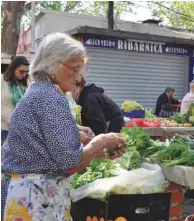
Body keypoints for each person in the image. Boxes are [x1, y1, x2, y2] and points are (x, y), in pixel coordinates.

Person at [1, 33, 125, 221]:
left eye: (80, 70)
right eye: (75, 69)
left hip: (27, 194)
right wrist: (100, 141)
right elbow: (69, 163)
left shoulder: (40, 91)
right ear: (53, 64)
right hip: (34, 198)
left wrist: (95, 148)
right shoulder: (50, 97)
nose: (78, 77)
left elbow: (51, 150)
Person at [1, 56, 30, 144]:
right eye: (21, 71)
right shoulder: (2, 81)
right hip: (5, 127)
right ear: (13, 68)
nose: (24, 74)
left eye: (26, 72)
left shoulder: (26, 82)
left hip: (22, 129)